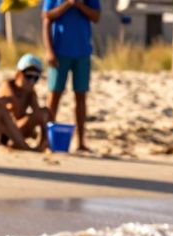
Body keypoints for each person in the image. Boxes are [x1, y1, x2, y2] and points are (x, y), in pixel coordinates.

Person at [43, 0, 101, 152]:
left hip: (82, 53)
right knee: (54, 95)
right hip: (59, 52)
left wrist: (80, 5)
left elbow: (96, 16)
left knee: (81, 96)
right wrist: (68, 4)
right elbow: (46, 16)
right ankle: (45, 140)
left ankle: (80, 142)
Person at [0, 54, 50, 151]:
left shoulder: (30, 91)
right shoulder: (8, 86)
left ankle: (44, 143)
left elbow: (38, 113)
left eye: (36, 78)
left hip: (17, 129)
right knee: (42, 113)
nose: (31, 81)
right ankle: (41, 144)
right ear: (18, 74)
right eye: (29, 76)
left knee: (45, 112)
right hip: (4, 132)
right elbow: (16, 110)